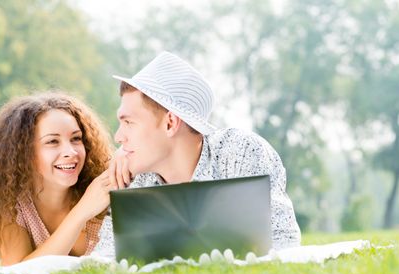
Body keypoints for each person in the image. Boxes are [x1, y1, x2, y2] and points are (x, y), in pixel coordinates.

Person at [98, 51, 301, 257]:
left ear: (170, 123)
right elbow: (103, 259)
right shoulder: (132, 176)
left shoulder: (241, 152)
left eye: (128, 122)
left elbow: (283, 245)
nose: (118, 136)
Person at [0, 91, 114, 265]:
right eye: (52, 142)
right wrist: (81, 213)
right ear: (24, 152)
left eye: (76, 139)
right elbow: (18, 273)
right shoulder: (12, 208)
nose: (71, 152)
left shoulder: (102, 191)